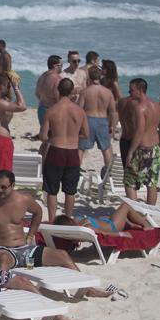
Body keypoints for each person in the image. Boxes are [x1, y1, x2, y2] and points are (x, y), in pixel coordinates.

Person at [0, 170, 112, 298]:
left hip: (25, 251)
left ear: (13, 186)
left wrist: (30, 235)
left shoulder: (23, 199)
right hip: (0, 250)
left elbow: (38, 212)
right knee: (3, 259)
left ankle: (87, 289)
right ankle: (2, 297)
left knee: (63, 255)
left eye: (3, 187)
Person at [39, 78, 87, 221]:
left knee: (52, 191)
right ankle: (67, 218)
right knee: (70, 191)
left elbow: (42, 136)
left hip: (56, 151)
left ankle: (53, 219)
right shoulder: (79, 111)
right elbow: (86, 134)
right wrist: (73, 136)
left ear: (58, 90)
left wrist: (54, 136)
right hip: (72, 152)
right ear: (72, 91)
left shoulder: (51, 111)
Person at [124, 78, 160, 205]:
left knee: (129, 181)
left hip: (142, 150)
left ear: (140, 90)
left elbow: (139, 132)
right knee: (152, 183)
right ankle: (149, 215)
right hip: (155, 148)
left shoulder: (139, 108)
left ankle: (135, 212)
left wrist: (130, 152)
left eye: (132, 90)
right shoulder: (157, 106)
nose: (129, 92)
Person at [78, 67, 117, 173]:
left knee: (81, 148)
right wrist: (112, 126)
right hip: (102, 121)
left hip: (88, 120)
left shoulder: (85, 92)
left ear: (89, 77)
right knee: (106, 148)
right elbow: (113, 112)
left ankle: (75, 171)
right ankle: (109, 173)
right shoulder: (108, 92)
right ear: (100, 77)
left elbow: (79, 110)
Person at [53, 202, 152, 236]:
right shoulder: (87, 227)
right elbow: (105, 233)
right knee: (125, 206)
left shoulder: (77, 223)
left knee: (131, 215)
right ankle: (146, 224)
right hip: (114, 226)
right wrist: (122, 234)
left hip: (108, 221)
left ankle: (135, 223)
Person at [35, 55, 62, 127]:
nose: (62, 67)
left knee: (45, 134)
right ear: (55, 66)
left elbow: (37, 93)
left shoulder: (42, 76)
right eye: (61, 65)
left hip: (41, 108)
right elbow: (58, 97)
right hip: (52, 109)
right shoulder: (57, 78)